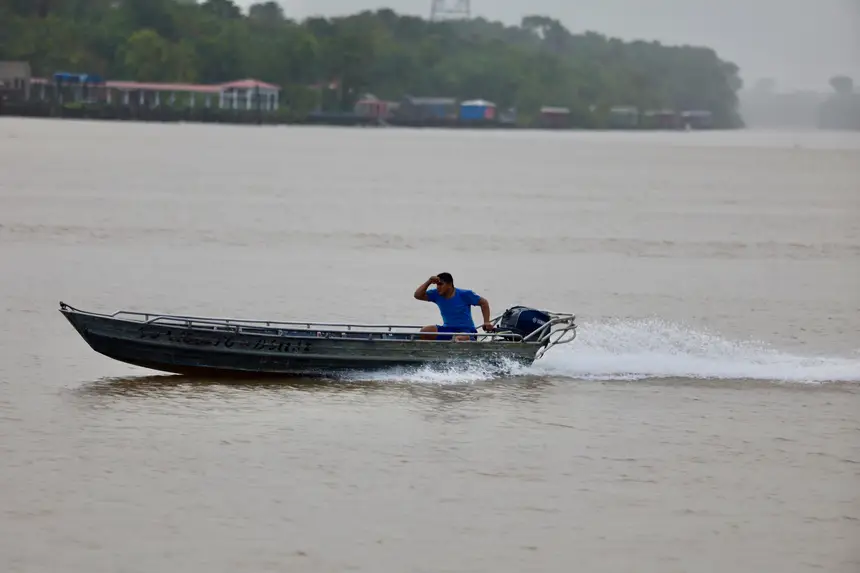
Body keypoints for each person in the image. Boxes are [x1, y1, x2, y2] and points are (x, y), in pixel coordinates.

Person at [414, 273, 494, 341]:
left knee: (459, 338)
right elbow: (417, 295)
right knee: (425, 331)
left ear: (449, 285)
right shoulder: (436, 294)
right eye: (437, 285)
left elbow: (484, 303)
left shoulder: (465, 294)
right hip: (448, 329)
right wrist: (429, 281)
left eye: (441, 284)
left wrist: (486, 321)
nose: (438, 287)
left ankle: (464, 342)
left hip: (466, 330)